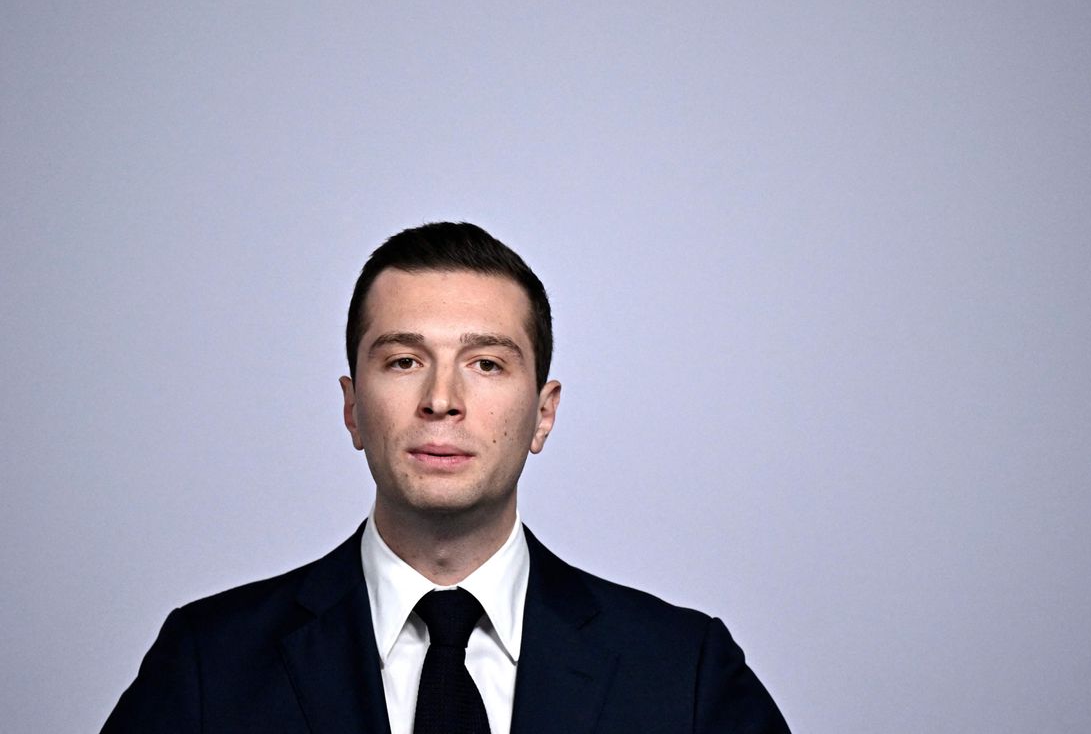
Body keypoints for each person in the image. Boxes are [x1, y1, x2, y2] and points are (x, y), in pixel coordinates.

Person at [102, 221, 790, 733]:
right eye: (404, 361)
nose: (441, 399)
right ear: (352, 408)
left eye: (486, 364)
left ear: (543, 414)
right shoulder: (207, 663)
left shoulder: (684, 671)